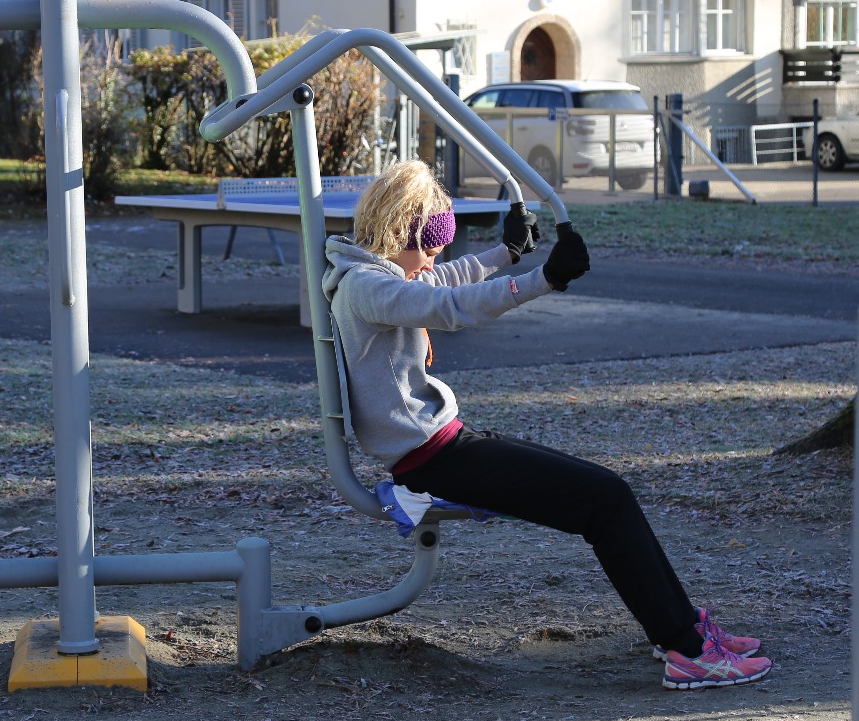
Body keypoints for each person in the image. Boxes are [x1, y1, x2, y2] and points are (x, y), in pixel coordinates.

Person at [322, 160, 772, 690]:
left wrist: (506, 253)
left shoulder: (373, 276)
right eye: (433, 238)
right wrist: (542, 279)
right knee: (605, 499)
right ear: (399, 228)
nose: (439, 253)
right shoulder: (365, 288)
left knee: (607, 493)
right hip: (432, 462)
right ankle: (687, 651)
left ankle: (680, 629)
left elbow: (441, 279)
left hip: (445, 448)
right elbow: (446, 304)